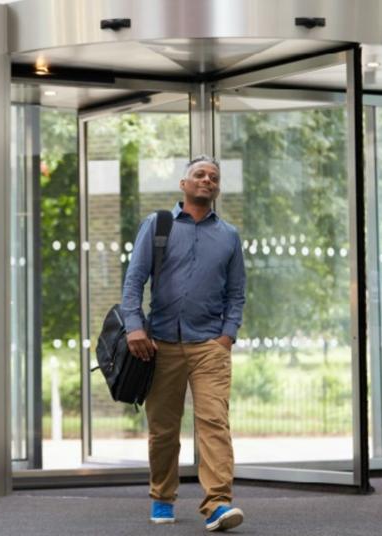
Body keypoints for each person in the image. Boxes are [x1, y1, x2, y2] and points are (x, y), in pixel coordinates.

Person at [121, 155, 246, 532]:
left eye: (213, 176)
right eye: (199, 175)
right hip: (159, 344)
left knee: (214, 423)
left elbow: (236, 293)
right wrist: (133, 327)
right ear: (184, 183)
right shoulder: (157, 226)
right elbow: (134, 281)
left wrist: (227, 335)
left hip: (210, 345)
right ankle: (162, 497)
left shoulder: (228, 235)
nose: (207, 180)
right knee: (163, 428)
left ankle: (218, 504)